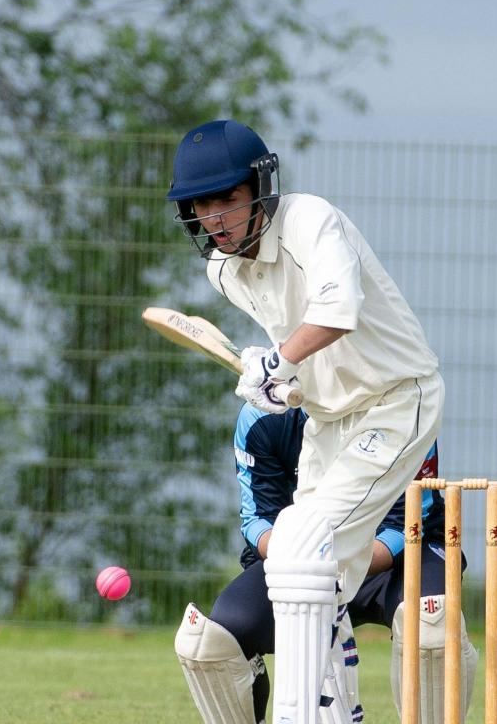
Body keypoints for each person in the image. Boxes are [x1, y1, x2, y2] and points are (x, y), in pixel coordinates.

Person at [167, 120, 445, 724]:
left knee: (302, 546)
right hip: (327, 418)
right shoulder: (224, 269)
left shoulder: (311, 221)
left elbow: (337, 313)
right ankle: (338, 715)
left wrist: (280, 361)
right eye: (201, 204)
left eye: (227, 199)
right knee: (319, 579)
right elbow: (293, 344)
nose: (214, 217)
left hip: (396, 400)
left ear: (259, 189)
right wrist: (280, 386)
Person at [175, 404, 479, 724]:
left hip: (397, 558)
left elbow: (405, 524)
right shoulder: (262, 416)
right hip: (295, 564)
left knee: (430, 627)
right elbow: (258, 520)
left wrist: (329, 564)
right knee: (208, 646)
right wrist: (304, 564)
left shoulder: (402, 405)